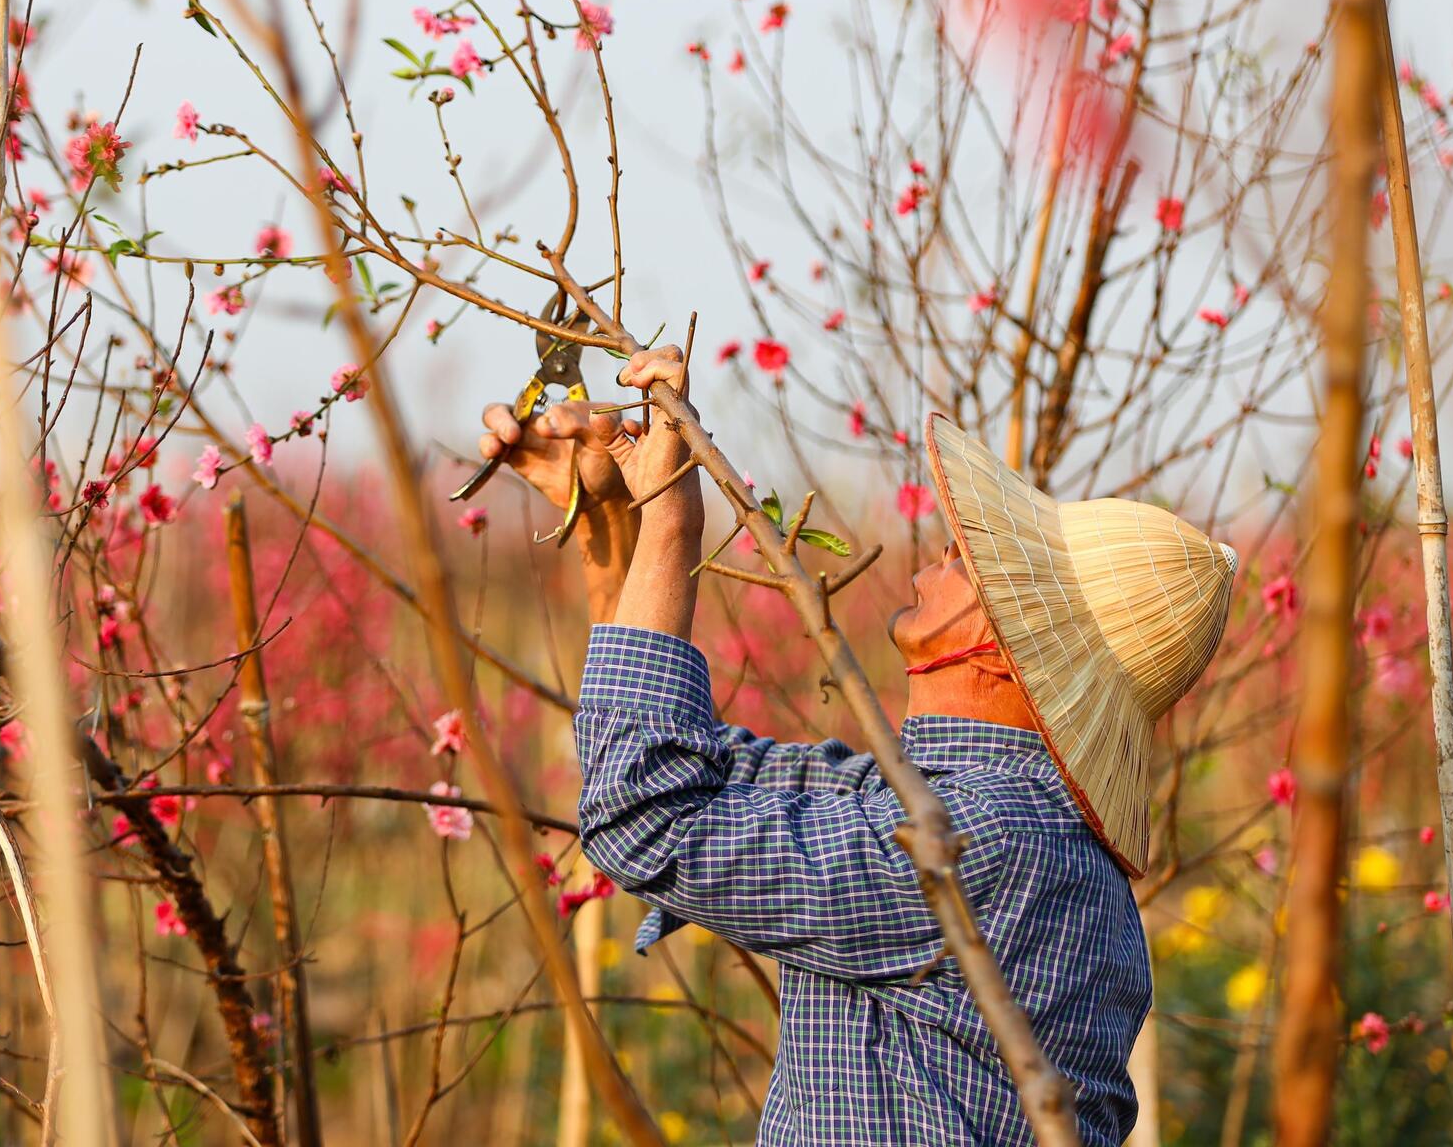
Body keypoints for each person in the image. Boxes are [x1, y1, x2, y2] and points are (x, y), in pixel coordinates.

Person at [478, 346, 1239, 1146]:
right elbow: (673, 763)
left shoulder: (984, 840)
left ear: (1016, 644)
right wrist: (616, 535)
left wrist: (672, 521)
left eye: (981, 564)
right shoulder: (956, 812)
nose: (946, 555)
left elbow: (648, 819)